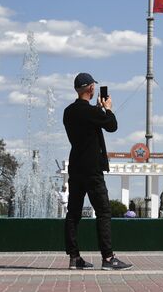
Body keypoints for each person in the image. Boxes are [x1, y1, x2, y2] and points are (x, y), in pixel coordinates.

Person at [63, 72, 132, 271]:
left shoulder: (68, 112)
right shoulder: (93, 113)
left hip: (75, 167)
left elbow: (85, 121)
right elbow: (112, 126)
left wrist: (98, 110)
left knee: (73, 213)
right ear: (91, 89)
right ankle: (108, 258)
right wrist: (107, 109)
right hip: (92, 169)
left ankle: (74, 258)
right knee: (103, 211)